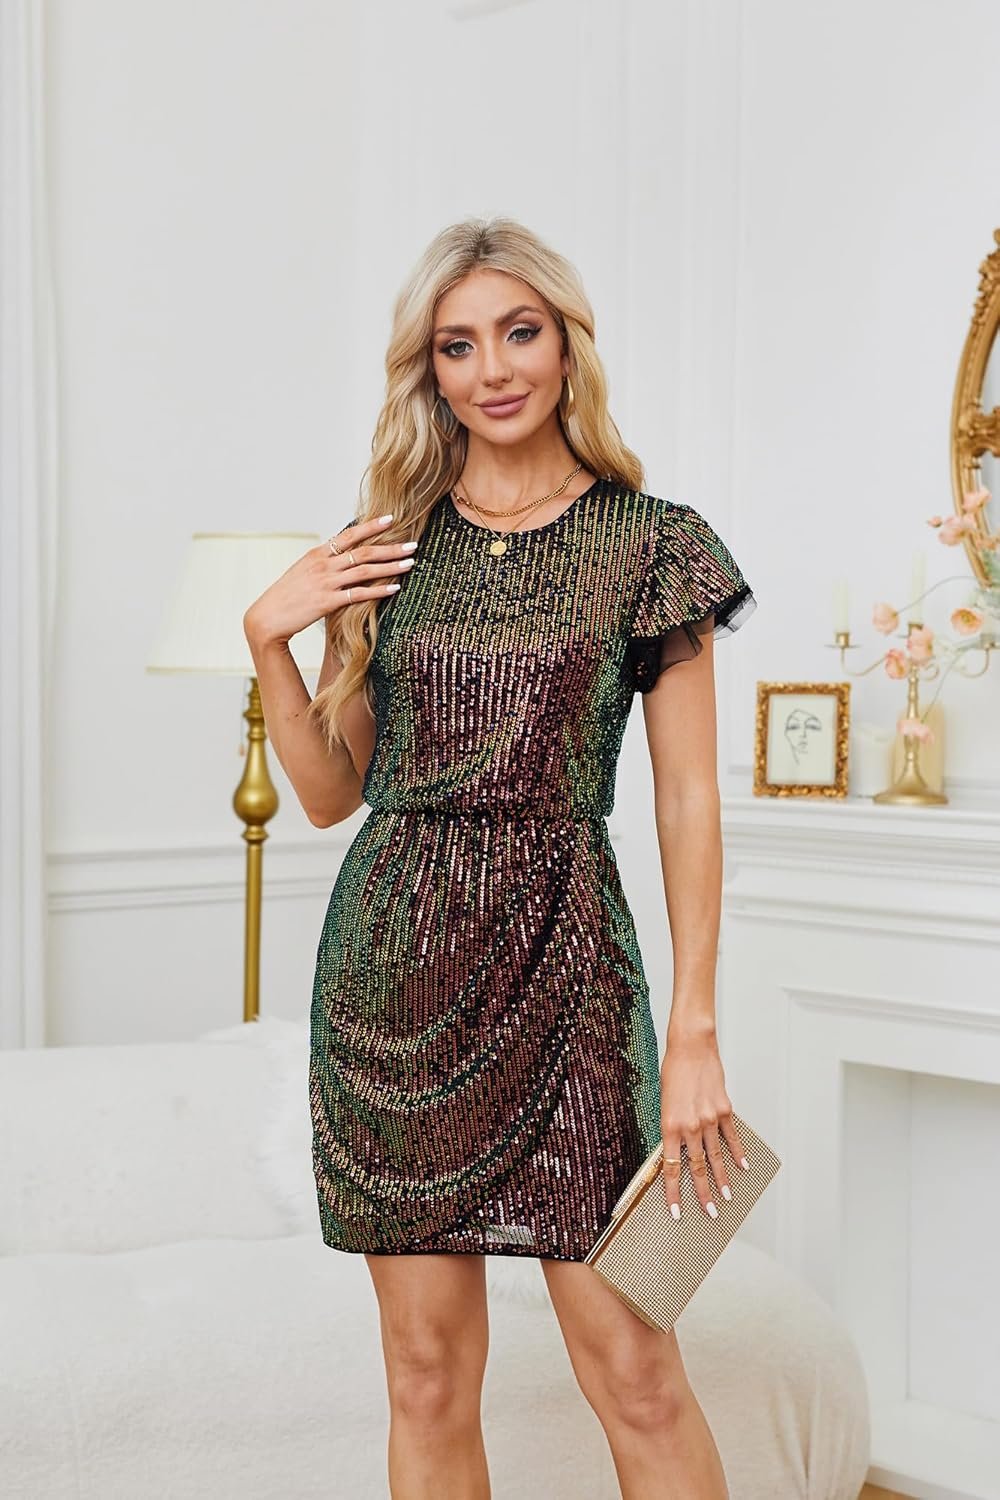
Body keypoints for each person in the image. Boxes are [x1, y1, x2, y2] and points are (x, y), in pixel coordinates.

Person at [243, 215, 758, 1500]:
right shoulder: (387, 545)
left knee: (635, 1368)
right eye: (457, 345)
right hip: (394, 981)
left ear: (565, 343)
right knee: (424, 1375)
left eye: (518, 333)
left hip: (570, 972)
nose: (492, 369)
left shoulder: (652, 543)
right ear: (429, 370)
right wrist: (268, 642)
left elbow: (687, 797)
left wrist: (693, 1029)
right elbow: (330, 795)